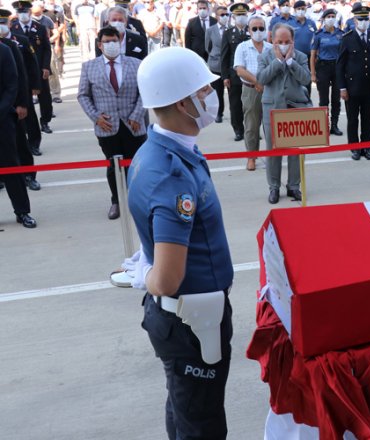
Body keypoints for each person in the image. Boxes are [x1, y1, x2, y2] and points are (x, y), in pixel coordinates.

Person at [129, 46, 234, 440]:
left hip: (188, 316)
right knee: (201, 425)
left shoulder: (160, 150)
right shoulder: (171, 175)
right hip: (193, 318)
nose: (210, 96)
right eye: (203, 91)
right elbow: (169, 279)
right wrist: (150, 275)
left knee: (184, 407)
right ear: (180, 101)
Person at [77, 26, 147, 220]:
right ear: (100, 45)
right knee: (113, 166)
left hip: (133, 124)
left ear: (120, 42)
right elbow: (83, 95)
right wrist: (96, 117)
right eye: (107, 42)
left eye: (114, 41)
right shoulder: (89, 67)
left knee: (137, 165)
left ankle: (139, 200)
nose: (111, 45)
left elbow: (145, 92)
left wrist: (136, 115)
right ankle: (116, 200)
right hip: (107, 126)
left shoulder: (135, 64)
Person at [257, 23, 311, 204]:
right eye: (279, 41)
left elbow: (306, 78)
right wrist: (279, 62)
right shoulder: (265, 57)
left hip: (295, 107)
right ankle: (273, 187)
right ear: (272, 41)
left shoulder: (301, 57)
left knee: (295, 150)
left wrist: (290, 62)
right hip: (272, 108)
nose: (283, 44)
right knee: (273, 150)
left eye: (287, 41)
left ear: (292, 41)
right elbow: (262, 79)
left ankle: (293, 186)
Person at [0, 15, 37, 228]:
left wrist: (2, 110)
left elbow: (12, 85)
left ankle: (22, 211)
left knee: (11, 167)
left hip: (3, 120)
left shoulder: (5, 50)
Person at [337, 3, 370, 161]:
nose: (364, 22)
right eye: (360, 19)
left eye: (366, 19)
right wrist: (342, 87)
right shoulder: (347, 38)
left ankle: (366, 147)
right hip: (352, 87)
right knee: (352, 119)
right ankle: (354, 148)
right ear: (355, 21)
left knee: (369, 119)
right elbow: (340, 65)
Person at [235, 14, 271, 172]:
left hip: (270, 90)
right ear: (249, 30)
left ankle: (273, 156)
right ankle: (251, 157)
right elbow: (239, 69)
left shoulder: (271, 48)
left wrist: (264, 83)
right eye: (254, 28)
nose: (258, 31)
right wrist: (257, 82)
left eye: (261, 28)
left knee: (271, 126)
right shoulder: (242, 47)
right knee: (251, 126)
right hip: (251, 90)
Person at [12, 1, 53, 135]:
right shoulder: (13, 29)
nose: (22, 14)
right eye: (20, 12)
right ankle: (28, 127)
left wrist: (46, 67)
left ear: (30, 12)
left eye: (24, 12)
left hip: (40, 69)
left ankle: (45, 121)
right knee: (25, 99)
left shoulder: (40, 28)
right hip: (21, 71)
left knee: (45, 97)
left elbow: (47, 49)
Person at [311, 8, 344, 136]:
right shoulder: (319, 34)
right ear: (324, 19)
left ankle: (334, 125)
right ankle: (324, 125)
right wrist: (313, 73)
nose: (331, 18)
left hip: (337, 67)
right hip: (323, 67)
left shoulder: (341, 33)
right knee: (324, 99)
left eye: (333, 16)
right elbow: (313, 55)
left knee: (336, 98)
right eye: (328, 16)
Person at [221, 2, 250, 143]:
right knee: (235, 105)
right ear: (233, 16)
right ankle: (238, 130)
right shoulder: (228, 34)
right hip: (234, 76)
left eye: (243, 14)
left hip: (251, 75)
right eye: (238, 15)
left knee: (251, 105)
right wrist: (225, 76)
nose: (241, 17)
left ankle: (252, 129)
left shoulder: (253, 31)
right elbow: (224, 56)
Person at [205, 5, 229, 125]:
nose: (224, 17)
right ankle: (219, 113)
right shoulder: (210, 30)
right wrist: (214, 55)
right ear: (217, 16)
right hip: (216, 64)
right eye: (222, 15)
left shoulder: (231, 29)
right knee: (217, 90)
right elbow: (207, 47)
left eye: (226, 14)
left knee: (232, 91)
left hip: (229, 64)